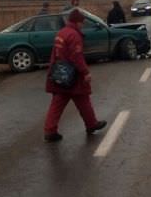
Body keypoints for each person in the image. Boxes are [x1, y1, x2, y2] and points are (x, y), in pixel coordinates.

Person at [43, 9, 107, 142]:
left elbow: (54, 55)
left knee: (58, 104)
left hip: (60, 74)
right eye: (82, 23)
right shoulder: (74, 35)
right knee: (83, 99)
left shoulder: (61, 33)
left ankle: (50, 131)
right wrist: (85, 72)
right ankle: (91, 124)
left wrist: (53, 73)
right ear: (77, 22)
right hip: (73, 75)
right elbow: (76, 56)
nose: (82, 25)